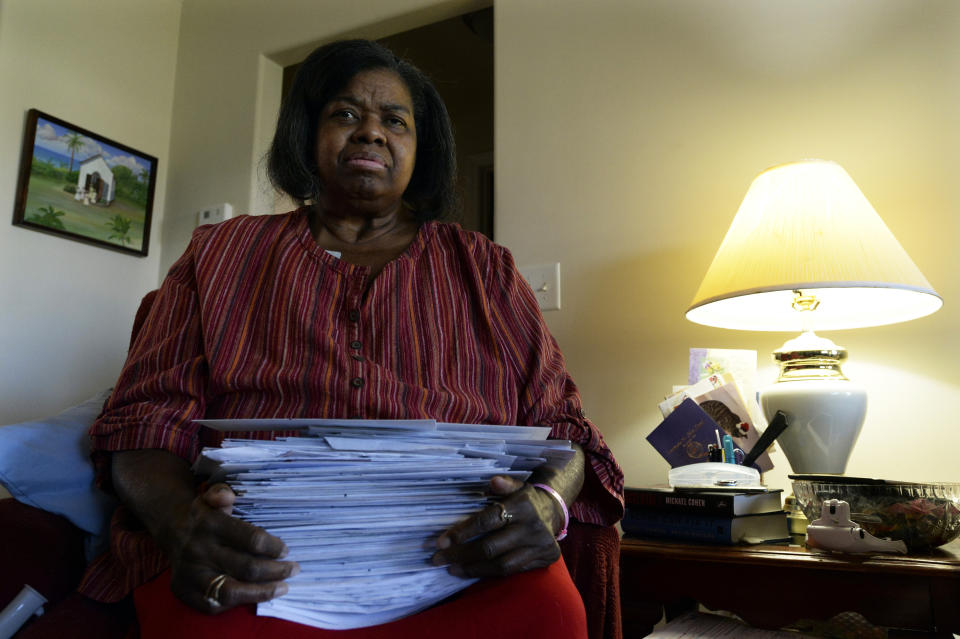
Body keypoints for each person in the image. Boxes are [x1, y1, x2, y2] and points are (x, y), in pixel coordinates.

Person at [80, 39, 624, 638]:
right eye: (345, 115)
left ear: (422, 151)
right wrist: (181, 523)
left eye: (395, 121)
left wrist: (547, 505)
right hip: (259, 552)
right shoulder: (220, 254)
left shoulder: (486, 269)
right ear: (308, 136)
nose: (370, 133)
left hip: (462, 554)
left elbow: (566, 435)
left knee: (551, 617)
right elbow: (144, 420)